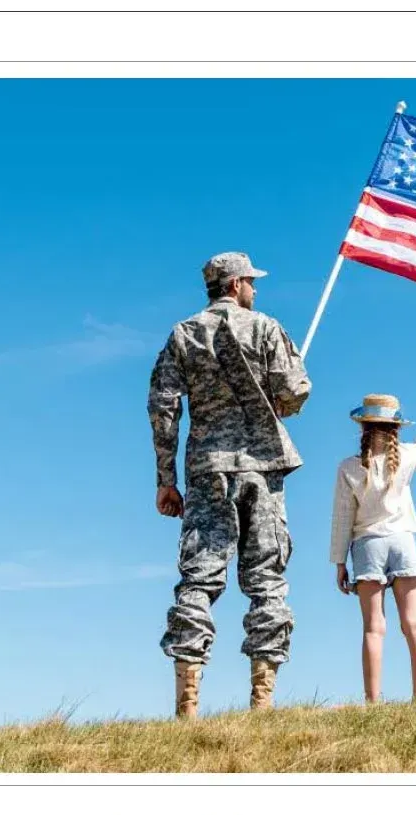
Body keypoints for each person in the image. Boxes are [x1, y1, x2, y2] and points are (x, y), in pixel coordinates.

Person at [148, 251, 311, 718]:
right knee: (266, 579)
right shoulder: (265, 328)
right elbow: (295, 390)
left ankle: (188, 705)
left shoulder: (183, 334)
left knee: (198, 578)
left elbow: (163, 408)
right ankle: (262, 702)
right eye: (252, 282)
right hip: (261, 467)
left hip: (206, 470)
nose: (256, 290)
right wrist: (283, 399)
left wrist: (166, 480)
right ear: (236, 283)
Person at [328, 394, 416, 703]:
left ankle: (373, 701)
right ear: (395, 429)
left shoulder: (348, 467)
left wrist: (338, 562)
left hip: (366, 545)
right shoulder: (407, 456)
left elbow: (342, 517)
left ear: (363, 428)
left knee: (374, 629)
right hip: (403, 541)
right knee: (413, 624)